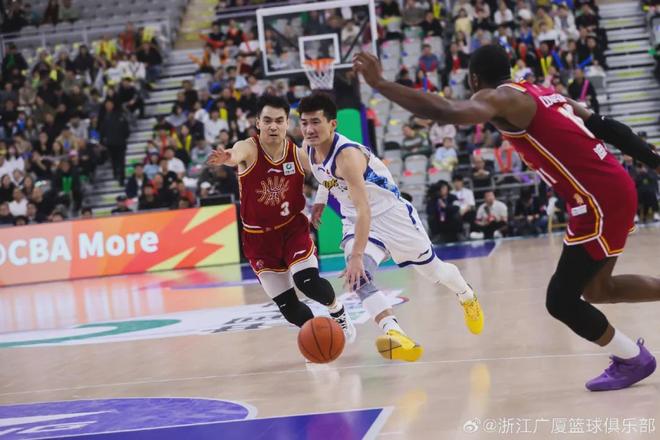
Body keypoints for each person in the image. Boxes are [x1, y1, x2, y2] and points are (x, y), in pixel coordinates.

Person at [354, 44, 660, 390]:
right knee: (598, 289)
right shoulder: (542, 92)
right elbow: (606, 126)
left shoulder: (501, 98)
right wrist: (654, 160)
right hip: (612, 188)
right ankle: (632, 356)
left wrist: (380, 84)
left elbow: (448, 110)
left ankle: (633, 359)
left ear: (474, 80)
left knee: (561, 300)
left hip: (596, 201)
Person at [298, 93, 484, 363]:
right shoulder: (308, 147)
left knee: (435, 272)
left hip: (391, 216)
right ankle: (395, 333)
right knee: (358, 277)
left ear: (333, 124)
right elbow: (325, 176)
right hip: (355, 220)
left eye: (316, 122)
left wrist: (357, 255)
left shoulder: (347, 157)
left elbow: (365, 209)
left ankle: (466, 295)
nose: (309, 129)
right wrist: (320, 201)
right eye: (304, 123)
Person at [206, 94, 355, 344]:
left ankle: (337, 311)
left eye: (279, 120)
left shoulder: (298, 154)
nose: (273, 126)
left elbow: (327, 175)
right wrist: (227, 158)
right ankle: (318, 338)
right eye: (267, 120)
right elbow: (235, 153)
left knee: (307, 282)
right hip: (258, 239)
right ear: (258, 123)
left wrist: (322, 199)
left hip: (292, 229)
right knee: (289, 308)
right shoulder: (249, 148)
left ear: (287, 123)